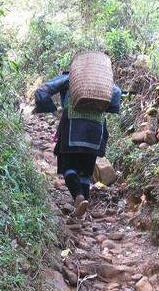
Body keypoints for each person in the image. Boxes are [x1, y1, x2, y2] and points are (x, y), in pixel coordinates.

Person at [34, 70, 122, 216]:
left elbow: (43, 90)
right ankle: (82, 210)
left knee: (68, 166)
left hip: (72, 126)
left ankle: (78, 197)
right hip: (96, 129)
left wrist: (51, 109)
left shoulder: (70, 77)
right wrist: (109, 109)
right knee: (85, 173)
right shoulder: (102, 81)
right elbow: (117, 93)